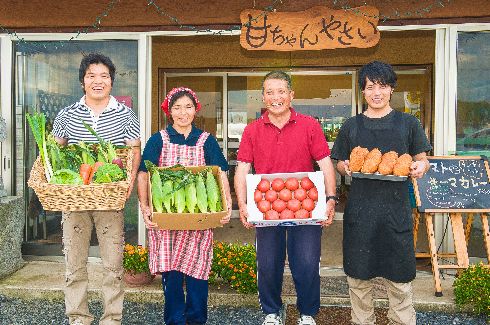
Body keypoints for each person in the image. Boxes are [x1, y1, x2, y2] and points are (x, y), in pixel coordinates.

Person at [331, 60, 431, 325]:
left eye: (383, 86)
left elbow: (422, 158)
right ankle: (362, 321)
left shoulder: (408, 123)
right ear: (362, 91)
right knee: (359, 279)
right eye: (370, 86)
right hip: (361, 213)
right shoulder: (351, 126)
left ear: (391, 89)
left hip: (395, 211)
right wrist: (346, 168)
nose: (377, 92)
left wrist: (420, 166)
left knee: (399, 278)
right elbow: (339, 162)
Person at [234, 71, 337, 325]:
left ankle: (307, 313)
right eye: (270, 92)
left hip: (306, 205)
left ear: (291, 95)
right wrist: (243, 204)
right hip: (266, 207)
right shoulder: (252, 130)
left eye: (281, 91)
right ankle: (272, 311)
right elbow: (242, 169)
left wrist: (331, 198)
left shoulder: (309, 125)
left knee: (307, 262)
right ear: (263, 97)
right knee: (268, 263)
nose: (276, 97)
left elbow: (325, 164)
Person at [52, 53, 141, 325]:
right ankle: (78, 317)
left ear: (112, 82)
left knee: (113, 265)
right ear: (83, 82)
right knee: (74, 264)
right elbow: (56, 152)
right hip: (75, 200)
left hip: (109, 199)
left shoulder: (126, 115)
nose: (97, 81)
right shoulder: (67, 114)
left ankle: (111, 319)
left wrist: (128, 182)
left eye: (104, 76)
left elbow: (134, 150)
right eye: (91, 76)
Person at [137, 87, 232, 325]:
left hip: (197, 221)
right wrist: (145, 205)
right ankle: (175, 320)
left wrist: (227, 204)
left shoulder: (206, 140)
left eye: (188, 107)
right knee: (172, 276)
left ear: (195, 110)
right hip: (167, 220)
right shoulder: (158, 139)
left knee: (198, 276)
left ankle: (197, 320)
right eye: (177, 107)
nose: (183, 113)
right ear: (169, 111)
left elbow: (220, 173)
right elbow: (143, 175)